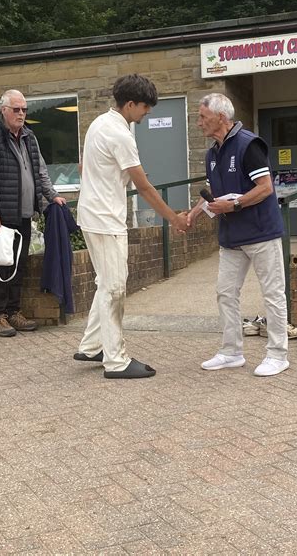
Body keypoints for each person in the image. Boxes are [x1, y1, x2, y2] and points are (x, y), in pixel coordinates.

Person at [75, 73, 188, 379]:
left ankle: (91, 346)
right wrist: (174, 218)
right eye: (144, 106)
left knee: (105, 282)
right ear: (129, 104)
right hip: (106, 219)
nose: (147, 112)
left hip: (90, 214)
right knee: (115, 287)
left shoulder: (99, 123)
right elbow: (146, 189)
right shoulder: (121, 135)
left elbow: (87, 167)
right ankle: (116, 360)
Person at [187, 93, 289, 377]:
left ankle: (278, 355)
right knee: (225, 293)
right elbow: (212, 194)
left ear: (221, 117)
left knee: (272, 294)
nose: (198, 124)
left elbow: (266, 187)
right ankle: (231, 352)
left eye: (203, 118)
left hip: (261, 233)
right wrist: (193, 215)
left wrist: (233, 204)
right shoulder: (212, 153)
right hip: (231, 237)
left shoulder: (248, 144)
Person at [0, 89, 66, 337]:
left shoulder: (29, 137)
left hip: (24, 214)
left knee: (18, 265)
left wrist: (52, 195)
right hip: (0, 217)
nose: (21, 114)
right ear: (4, 110)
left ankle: (14, 312)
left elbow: (41, 172)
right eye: (16, 109)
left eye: (24, 109)